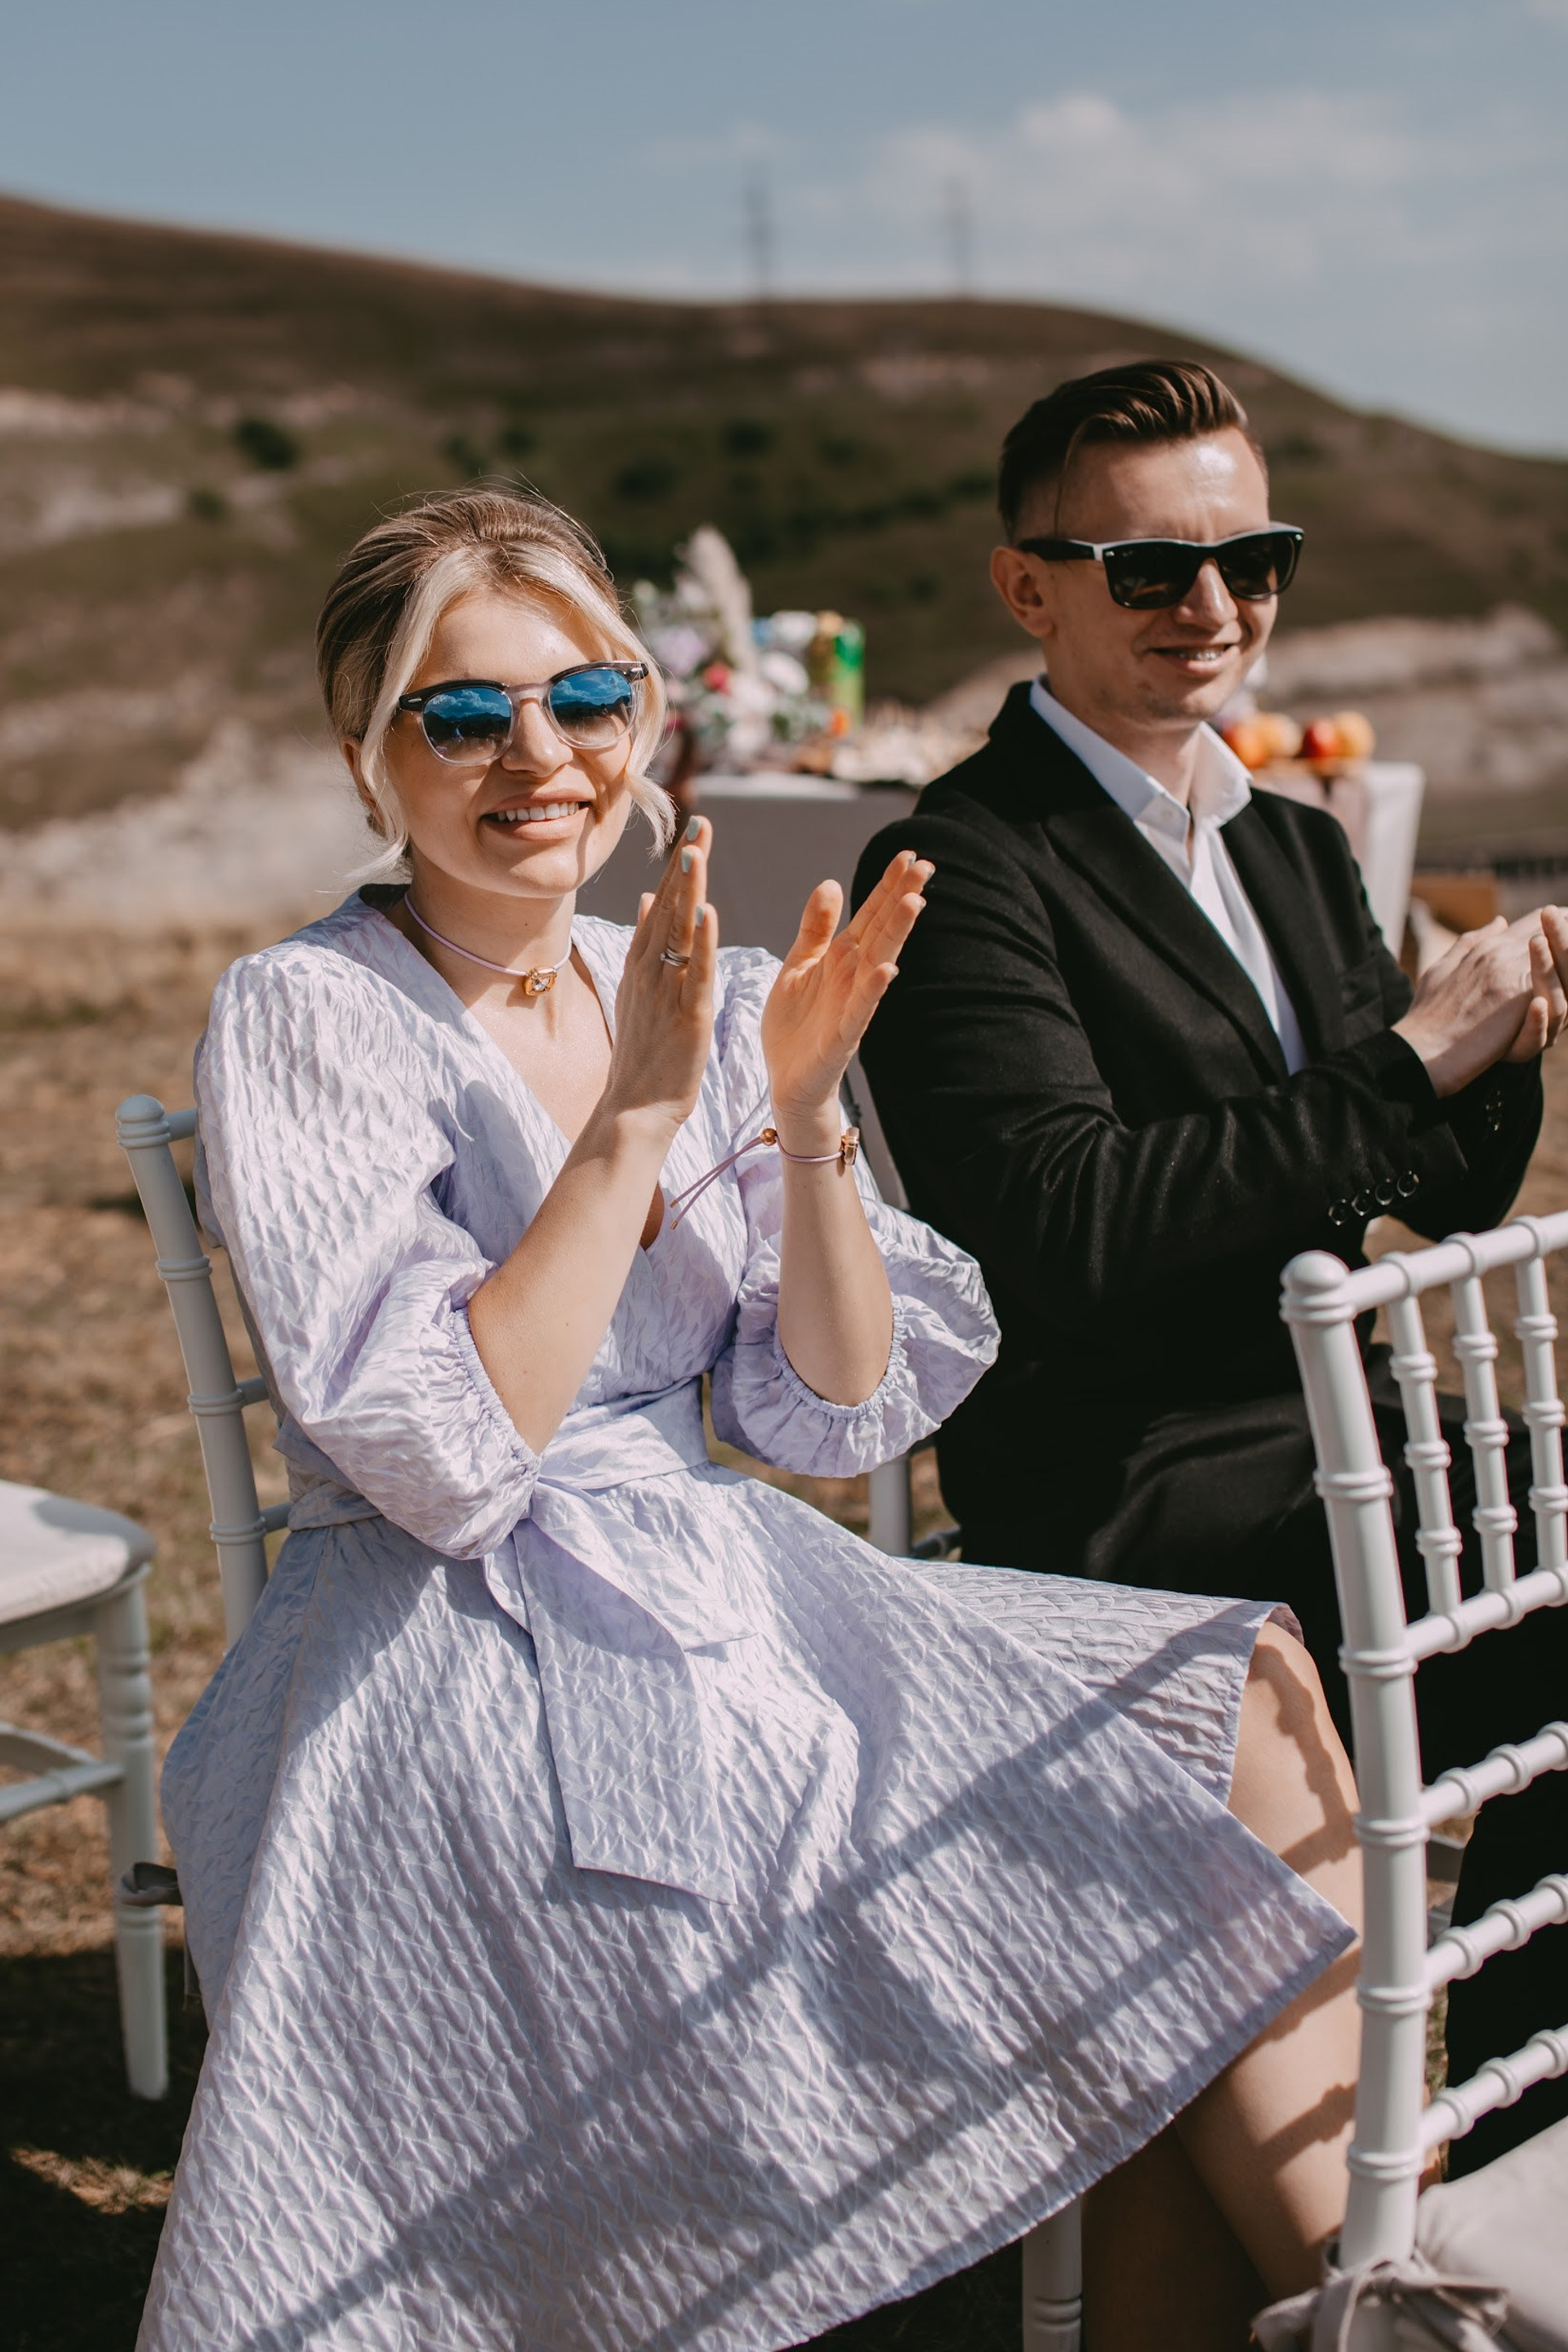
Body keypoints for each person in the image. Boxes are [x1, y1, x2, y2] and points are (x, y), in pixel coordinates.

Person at [141, 488, 1364, 2352]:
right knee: (1099, 1881)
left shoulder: (686, 977)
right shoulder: (307, 1014)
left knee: (1251, 1699)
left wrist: (798, 1120)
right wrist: (629, 1123)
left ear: (650, 717)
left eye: (586, 700)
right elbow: (446, 1458)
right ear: (364, 757)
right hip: (448, 1646)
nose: (537, 759)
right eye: (461, 718)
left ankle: (1368, 2289)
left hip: (733, 1574)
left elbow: (832, 1414)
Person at [853, 358, 1568, 2178]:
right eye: (1153, 568)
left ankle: (1496, 2126)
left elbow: (1403, 1189)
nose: (1218, 607)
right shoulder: (955, 864)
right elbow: (1072, 1230)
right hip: (1135, 1475)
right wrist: (1413, 1061)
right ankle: (1451, 2168)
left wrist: (1502, 1051)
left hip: (1350, 1426)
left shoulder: (1300, 846)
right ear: (1031, 587)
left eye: (1257, 559)